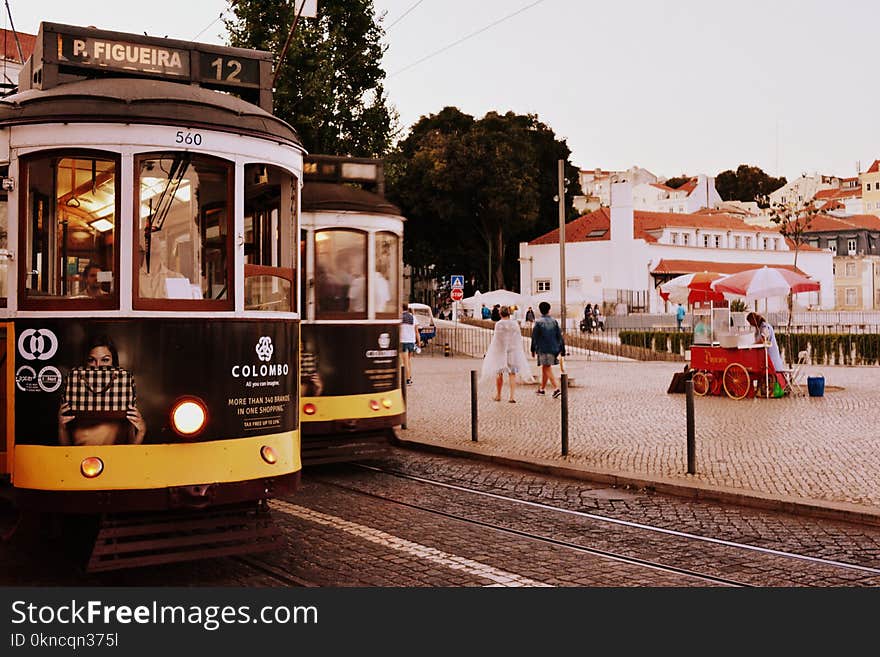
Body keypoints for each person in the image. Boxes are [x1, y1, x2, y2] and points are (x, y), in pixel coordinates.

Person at [58, 334, 146, 446]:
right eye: (91, 360)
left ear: (114, 362)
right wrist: (61, 428)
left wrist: (141, 431)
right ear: (85, 362)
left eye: (105, 360)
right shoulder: (75, 393)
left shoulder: (122, 392)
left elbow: (130, 452)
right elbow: (66, 452)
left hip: (115, 460)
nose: (98, 365)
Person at [481, 306, 531, 403]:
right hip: (513, 351)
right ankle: (512, 396)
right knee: (512, 374)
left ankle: (498, 395)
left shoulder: (499, 324)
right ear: (509, 313)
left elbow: (497, 340)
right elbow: (518, 338)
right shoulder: (515, 324)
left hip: (501, 352)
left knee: (499, 373)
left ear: (500, 314)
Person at [530, 301, 565, 398]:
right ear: (549, 310)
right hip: (554, 347)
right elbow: (559, 336)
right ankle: (542, 389)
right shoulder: (554, 321)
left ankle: (556, 388)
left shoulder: (538, 322)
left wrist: (532, 349)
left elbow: (534, 337)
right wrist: (562, 348)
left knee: (547, 368)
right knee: (545, 367)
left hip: (543, 348)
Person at [746, 312, 786, 390]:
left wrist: (752, 346)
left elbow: (763, 339)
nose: (750, 324)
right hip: (764, 355)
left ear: (753, 320)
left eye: (750, 322)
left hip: (770, 356)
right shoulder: (759, 328)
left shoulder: (765, 327)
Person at [400, 303, 420, 385]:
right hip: (411, 341)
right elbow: (416, 332)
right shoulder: (413, 318)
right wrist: (418, 342)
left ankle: (407, 379)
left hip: (403, 341)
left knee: (404, 362)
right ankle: (409, 376)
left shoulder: (400, 317)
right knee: (408, 360)